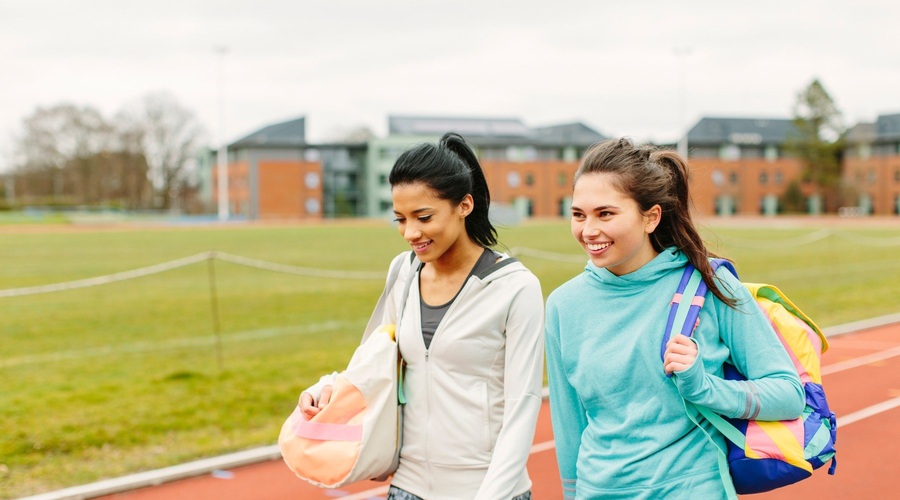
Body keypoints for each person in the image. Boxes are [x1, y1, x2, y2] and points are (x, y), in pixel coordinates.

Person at [544, 138, 805, 499]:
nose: (588, 230)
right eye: (578, 214)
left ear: (651, 216)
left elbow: (789, 395)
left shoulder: (710, 284)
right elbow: (569, 422)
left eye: (605, 214)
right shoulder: (563, 305)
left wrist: (705, 387)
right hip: (598, 491)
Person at [301, 132, 545, 500]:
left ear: (464, 205)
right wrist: (325, 387)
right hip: (407, 488)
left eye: (423, 216)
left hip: (486, 491)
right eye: (400, 218)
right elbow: (374, 358)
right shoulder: (403, 271)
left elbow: (522, 404)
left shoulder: (515, 288)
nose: (410, 232)